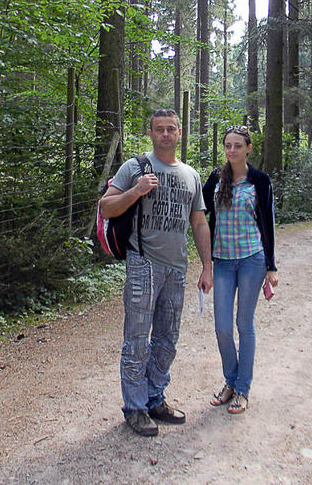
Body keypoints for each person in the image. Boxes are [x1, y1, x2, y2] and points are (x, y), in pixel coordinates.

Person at [99, 109, 213, 437]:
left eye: (171, 129)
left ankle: (154, 398)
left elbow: (199, 223)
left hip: (177, 269)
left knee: (167, 340)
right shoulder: (134, 168)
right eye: (159, 129)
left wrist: (206, 266)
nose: (165, 134)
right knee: (136, 340)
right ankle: (134, 408)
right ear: (150, 133)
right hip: (143, 263)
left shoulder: (191, 175)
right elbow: (106, 207)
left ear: (180, 133)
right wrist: (135, 191)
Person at [202, 125, 277, 414]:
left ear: (248, 148)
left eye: (237, 145)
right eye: (227, 145)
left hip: (251, 261)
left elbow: (267, 222)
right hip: (222, 262)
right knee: (222, 327)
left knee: (244, 325)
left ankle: (242, 389)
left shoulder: (260, 180)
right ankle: (230, 381)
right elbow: (201, 212)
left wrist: (271, 266)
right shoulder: (215, 180)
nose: (232, 150)